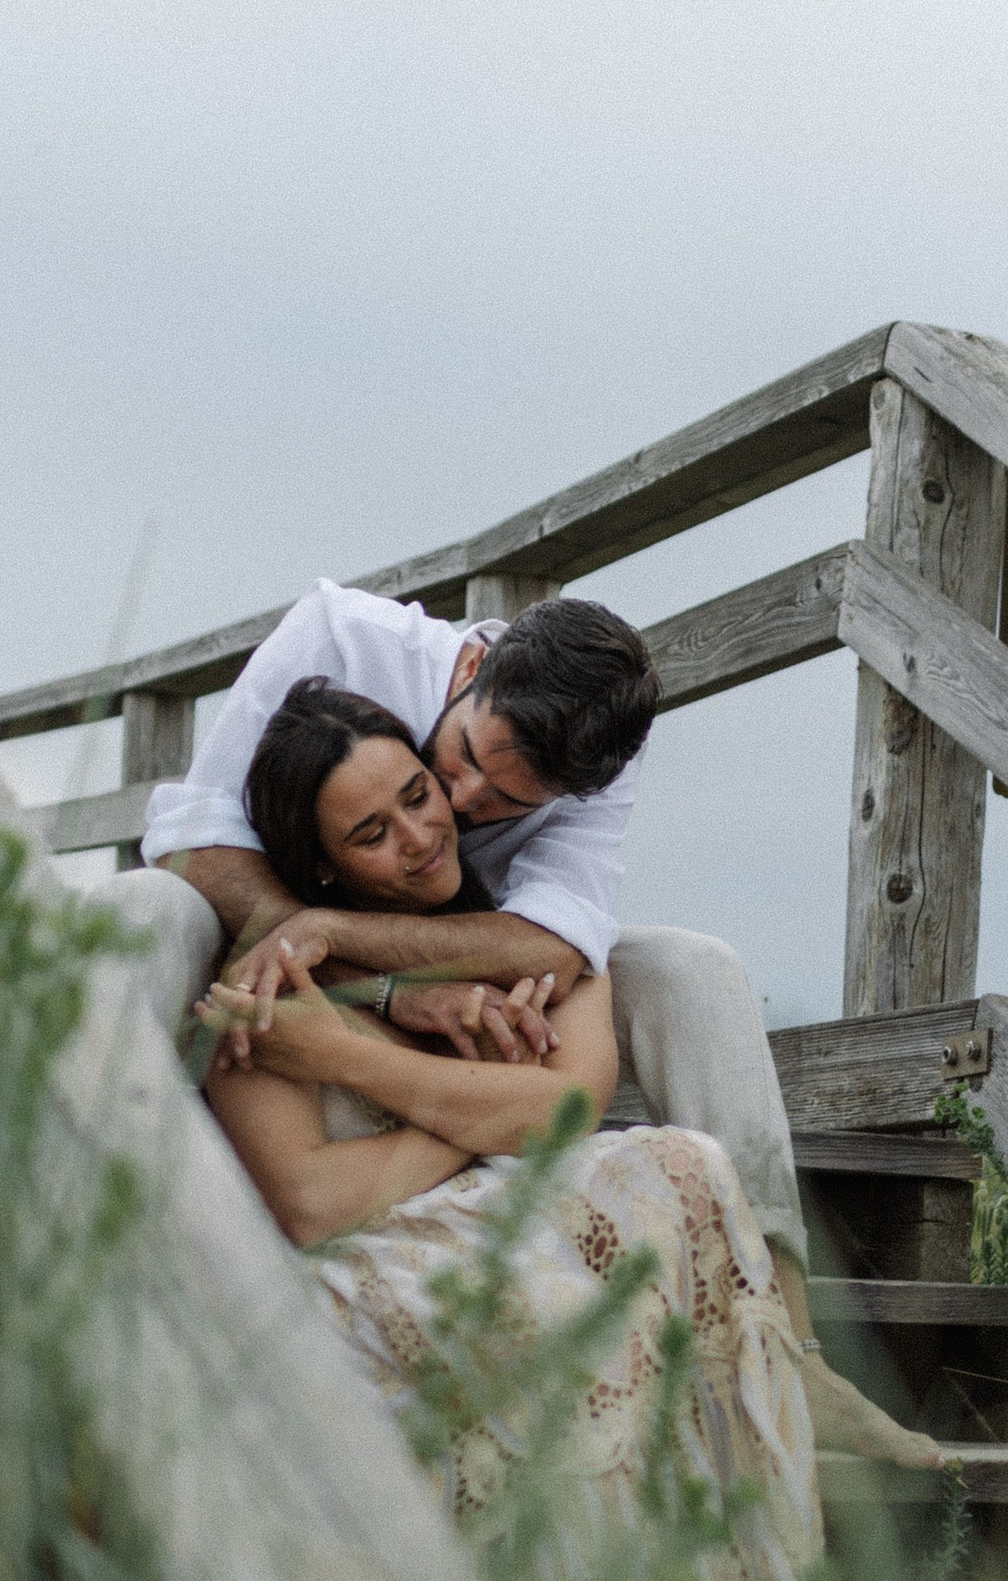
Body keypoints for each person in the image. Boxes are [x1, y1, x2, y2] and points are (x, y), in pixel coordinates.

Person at [199, 678, 930, 1581]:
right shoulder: (273, 984)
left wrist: (359, 1065)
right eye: (370, 834)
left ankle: (753, 1577)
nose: (420, 835)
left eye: (419, 797)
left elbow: (571, 1107)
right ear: (317, 871)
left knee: (679, 1168)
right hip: (365, 1271)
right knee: (561, 1290)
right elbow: (310, 1200)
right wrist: (462, 1102)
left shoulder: (540, 940)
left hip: (496, 1209)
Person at [139, 576, 941, 1469]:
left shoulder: (593, 763)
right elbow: (190, 843)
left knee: (699, 972)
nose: (462, 802)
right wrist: (391, 992)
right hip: (286, 937)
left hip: (455, 944)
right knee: (159, 910)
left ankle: (793, 1349)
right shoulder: (339, 638)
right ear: (474, 665)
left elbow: (553, 944)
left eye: (505, 802)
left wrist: (350, 938)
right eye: (463, 757)